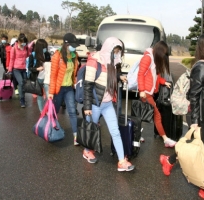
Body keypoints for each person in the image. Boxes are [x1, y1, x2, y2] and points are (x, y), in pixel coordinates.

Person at [159, 33, 204, 200]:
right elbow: (193, 95)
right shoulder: (201, 66)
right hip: (197, 116)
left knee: (194, 147)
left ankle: (169, 160)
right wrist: (194, 121)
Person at [82, 37, 135, 172]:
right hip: (95, 103)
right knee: (91, 129)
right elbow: (87, 85)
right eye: (115, 51)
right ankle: (87, 150)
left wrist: (119, 77)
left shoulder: (111, 62)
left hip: (107, 103)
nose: (117, 55)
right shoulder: (94, 61)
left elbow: (108, 76)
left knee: (115, 131)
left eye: (118, 52)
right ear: (108, 49)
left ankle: (122, 161)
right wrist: (87, 107)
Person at [137, 41, 175, 147]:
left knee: (143, 115)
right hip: (146, 93)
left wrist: (163, 82)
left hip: (148, 92)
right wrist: (142, 90)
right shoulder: (148, 58)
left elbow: (155, 76)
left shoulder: (153, 59)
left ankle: (136, 134)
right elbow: (140, 74)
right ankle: (165, 139)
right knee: (156, 115)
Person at [48, 33, 79, 145]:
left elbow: (74, 73)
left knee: (72, 111)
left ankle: (76, 136)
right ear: (66, 44)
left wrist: (75, 83)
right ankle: (50, 131)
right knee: (54, 112)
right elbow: (53, 75)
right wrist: (51, 92)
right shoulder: (57, 56)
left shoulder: (74, 55)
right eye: (73, 45)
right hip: (58, 89)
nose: (74, 48)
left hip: (69, 88)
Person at [8, 33, 35, 107]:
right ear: (19, 41)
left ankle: (22, 97)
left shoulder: (25, 48)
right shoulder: (14, 48)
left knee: (24, 84)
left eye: (24, 42)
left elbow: (29, 54)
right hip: (16, 69)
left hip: (24, 69)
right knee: (21, 82)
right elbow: (11, 59)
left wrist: (32, 43)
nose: (23, 43)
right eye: (22, 42)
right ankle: (22, 100)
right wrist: (10, 70)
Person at [28, 39, 51, 112]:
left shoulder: (47, 54)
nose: (45, 49)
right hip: (38, 78)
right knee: (40, 95)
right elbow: (30, 68)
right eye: (44, 47)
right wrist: (37, 69)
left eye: (46, 47)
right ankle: (42, 112)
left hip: (47, 78)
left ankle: (46, 108)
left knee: (49, 96)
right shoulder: (33, 55)